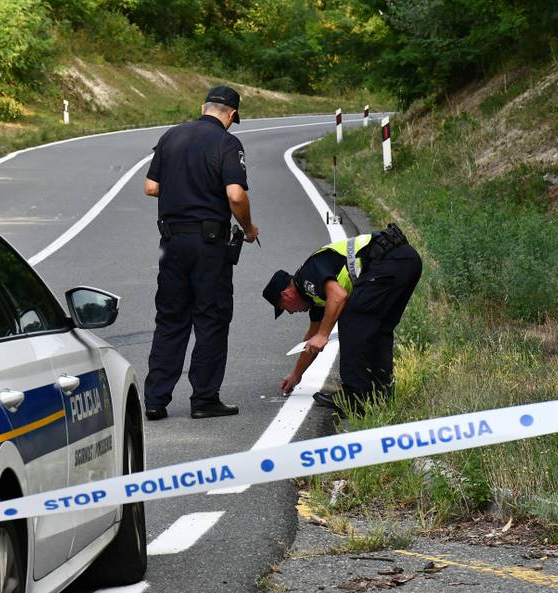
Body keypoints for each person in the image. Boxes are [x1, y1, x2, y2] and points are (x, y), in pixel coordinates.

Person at [143, 86, 259, 421]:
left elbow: (151, 186)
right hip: (209, 245)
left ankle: (155, 400)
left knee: (170, 318)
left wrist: (181, 188)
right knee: (211, 317)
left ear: (202, 107)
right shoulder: (227, 143)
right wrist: (249, 228)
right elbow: (235, 195)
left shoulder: (171, 137)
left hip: (172, 243)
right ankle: (204, 398)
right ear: (232, 115)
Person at [262, 224, 421, 414]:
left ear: (286, 294)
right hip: (406, 261)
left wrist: (323, 334)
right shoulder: (316, 298)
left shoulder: (306, 278)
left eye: (284, 309)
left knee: (350, 317)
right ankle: (380, 393)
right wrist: (296, 374)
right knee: (378, 329)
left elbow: (338, 297)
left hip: (390, 260)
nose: (290, 313)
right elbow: (311, 341)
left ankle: (354, 396)